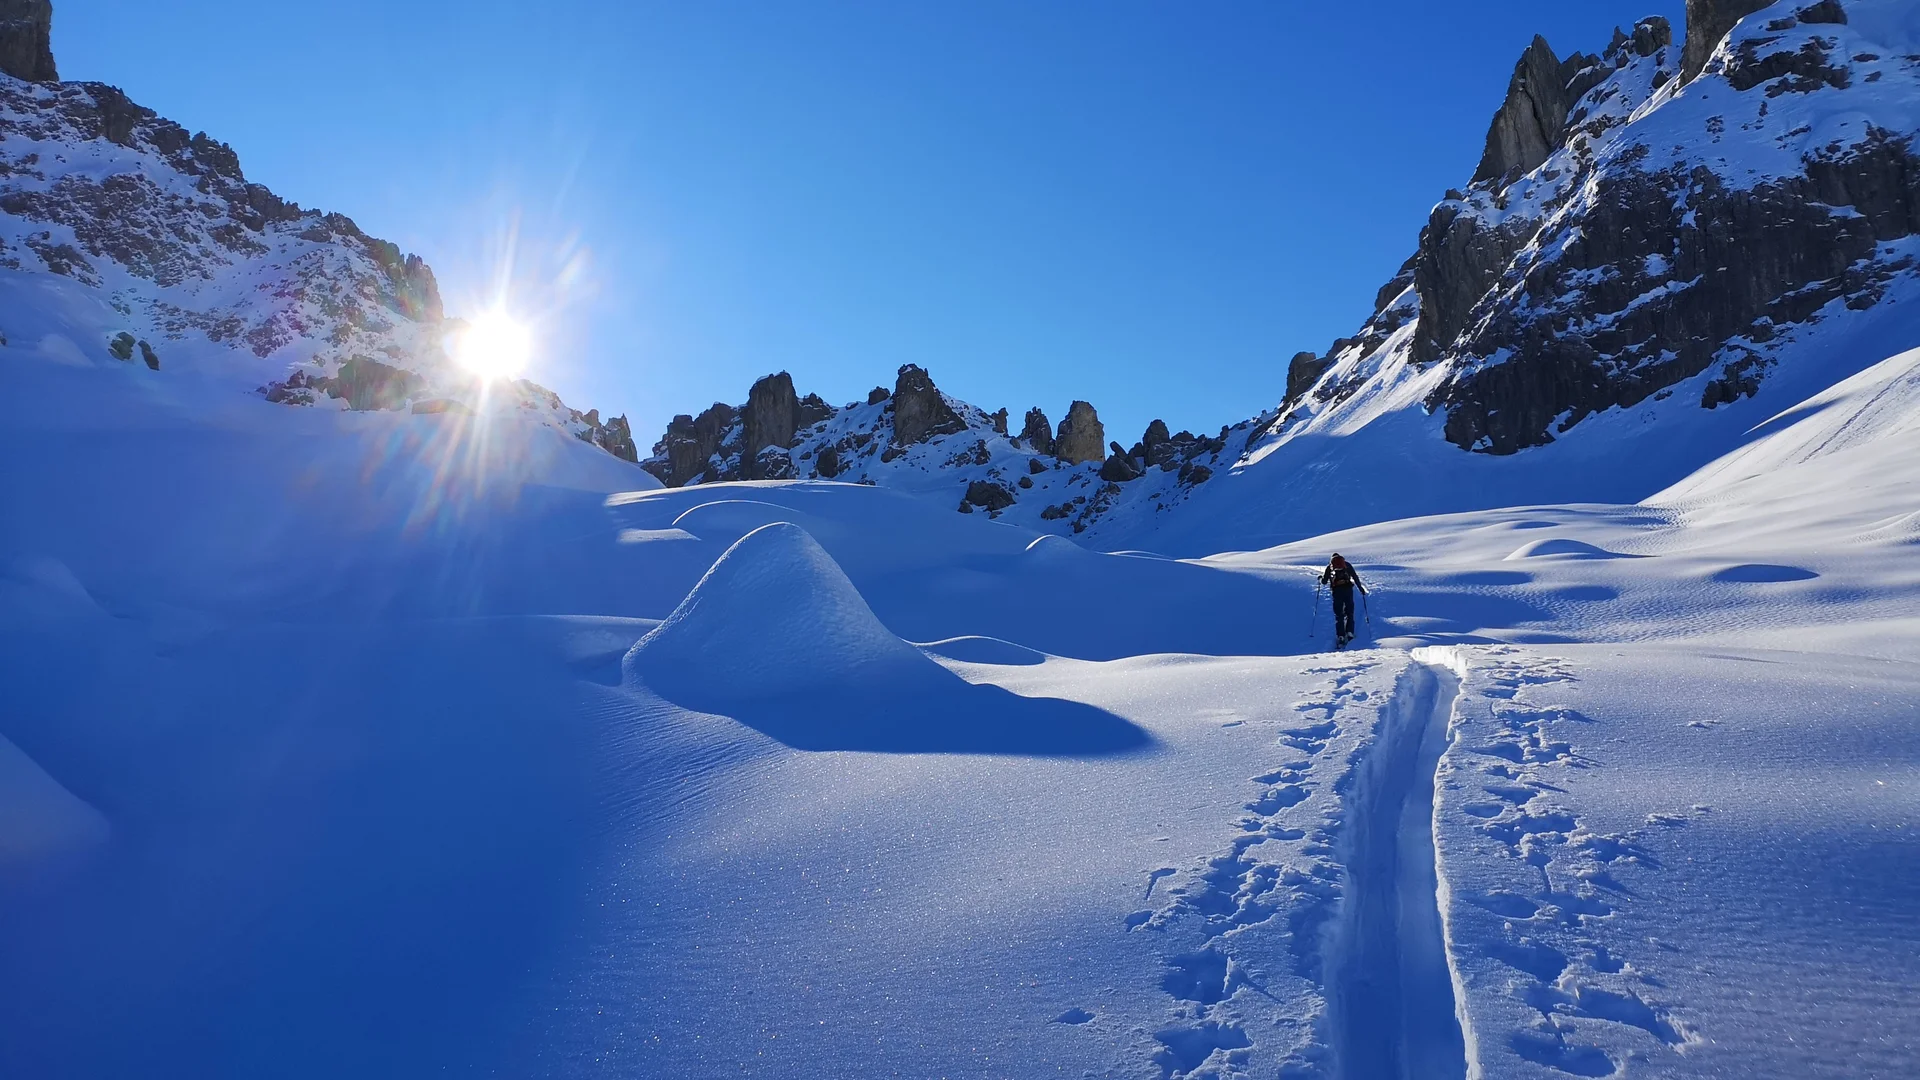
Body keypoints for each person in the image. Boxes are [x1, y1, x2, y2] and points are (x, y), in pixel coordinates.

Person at [1320, 553, 1368, 648]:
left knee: (1339, 614)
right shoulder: (1347, 565)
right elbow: (1355, 576)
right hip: (1348, 590)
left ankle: (1341, 635)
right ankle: (1350, 632)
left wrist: (1321, 579)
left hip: (1336, 592)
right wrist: (1360, 588)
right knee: (1349, 612)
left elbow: (1324, 582)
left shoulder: (1330, 567)